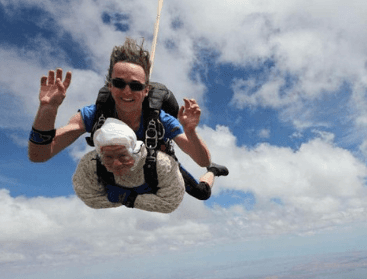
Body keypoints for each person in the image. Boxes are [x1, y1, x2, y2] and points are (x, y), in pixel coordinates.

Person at [28, 37, 228, 200]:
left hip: (156, 163)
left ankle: (214, 172)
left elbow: (202, 160)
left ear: (146, 90)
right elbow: (39, 155)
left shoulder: (160, 119)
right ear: (110, 86)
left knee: (201, 193)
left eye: (136, 86)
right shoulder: (95, 115)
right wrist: (48, 109)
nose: (127, 91)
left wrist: (191, 132)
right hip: (122, 172)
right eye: (119, 83)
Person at [73, 118, 184, 212]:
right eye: (109, 157)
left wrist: (127, 198)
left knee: (199, 191)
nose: (116, 164)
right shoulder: (89, 164)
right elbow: (89, 197)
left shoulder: (162, 163)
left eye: (122, 156)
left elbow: (170, 202)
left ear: (134, 151)